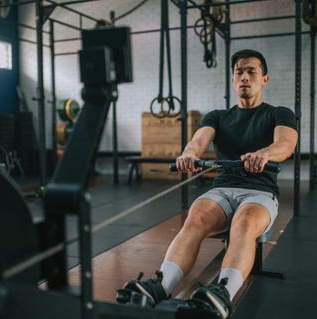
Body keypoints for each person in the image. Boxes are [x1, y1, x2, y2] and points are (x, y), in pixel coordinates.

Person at [117, 49, 298, 318]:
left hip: (260, 191)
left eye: (252, 72)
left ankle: (222, 293)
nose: (245, 77)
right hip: (222, 189)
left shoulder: (278, 113)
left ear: (265, 79)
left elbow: (285, 144)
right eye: (239, 72)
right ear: (233, 80)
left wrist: (264, 154)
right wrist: (189, 153)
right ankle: (160, 285)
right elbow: (198, 141)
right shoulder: (218, 116)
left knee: (245, 223)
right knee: (196, 217)